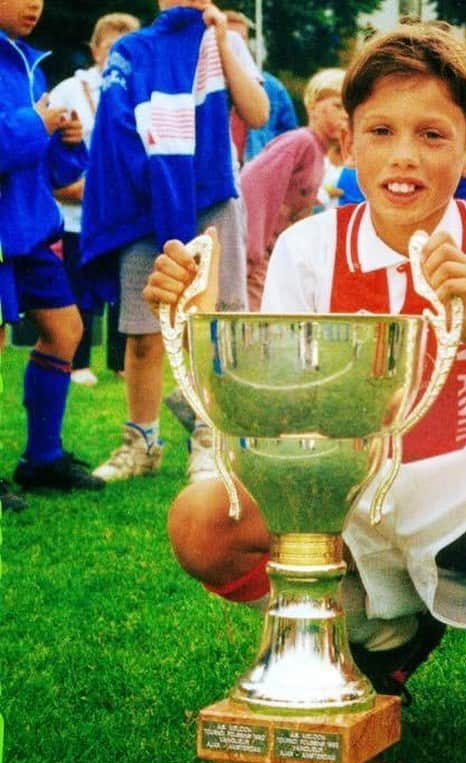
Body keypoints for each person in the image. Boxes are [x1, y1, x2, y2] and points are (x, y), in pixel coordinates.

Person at [145, 21, 466, 763]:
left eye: (432, 134)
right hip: (353, 521)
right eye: (381, 130)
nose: (404, 155)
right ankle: (367, 638)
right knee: (201, 520)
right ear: (349, 144)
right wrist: (195, 322)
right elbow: (268, 427)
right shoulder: (310, 249)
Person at [80, 0, 269, 484]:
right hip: (144, 204)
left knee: (215, 326)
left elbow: (257, 109)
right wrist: (150, 180)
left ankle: (212, 436)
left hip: (210, 196)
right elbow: (114, 125)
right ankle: (141, 442)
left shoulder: (221, 40)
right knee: (142, 333)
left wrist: (223, 41)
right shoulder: (133, 48)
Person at [0, 0, 104, 496]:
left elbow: (51, 174)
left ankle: (41, 460)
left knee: (66, 331)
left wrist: (68, 143)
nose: (34, 4)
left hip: (32, 231)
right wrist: (35, 125)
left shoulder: (29, 65)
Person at [49, 12, 140, 387]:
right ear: (95, 49)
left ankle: (121, 362)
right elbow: (51, 140)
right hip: (77, 214)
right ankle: (79, 361)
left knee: (124, 287)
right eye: (110, 48)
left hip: (123, 211)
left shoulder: (139, 88)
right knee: (81, 287)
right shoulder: (72, 89)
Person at [239, 67, 346, 310]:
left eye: (350, 111)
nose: (345, 116)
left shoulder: (320, 153)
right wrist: (253, 251)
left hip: (278, 256)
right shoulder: (300, 142)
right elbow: (253, 183)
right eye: (337, 106)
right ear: (313, 107)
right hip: (257, 258)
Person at [222, 10, 298, 164]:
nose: (236, 45)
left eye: (241, 38)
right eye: (229, 38)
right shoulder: (205, 83)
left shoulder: (273, 88)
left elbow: (290, 138)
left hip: (258, 175)